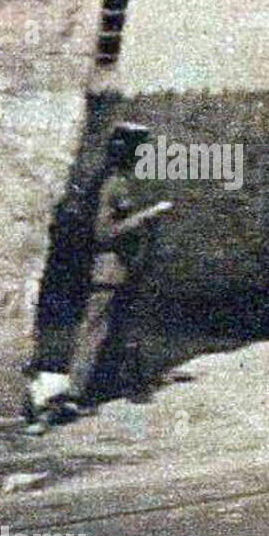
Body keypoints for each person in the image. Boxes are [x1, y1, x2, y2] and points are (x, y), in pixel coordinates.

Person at [66, 123, 172, 412]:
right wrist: (148, 216)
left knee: (119, 328)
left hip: (121, 269)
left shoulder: (115, 180)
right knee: (96, 331)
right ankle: (76, 394)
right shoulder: (113, 184)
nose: (141, 155)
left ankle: (115, 386)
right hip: (109, 269)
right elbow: (104, 233)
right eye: (139, 150)